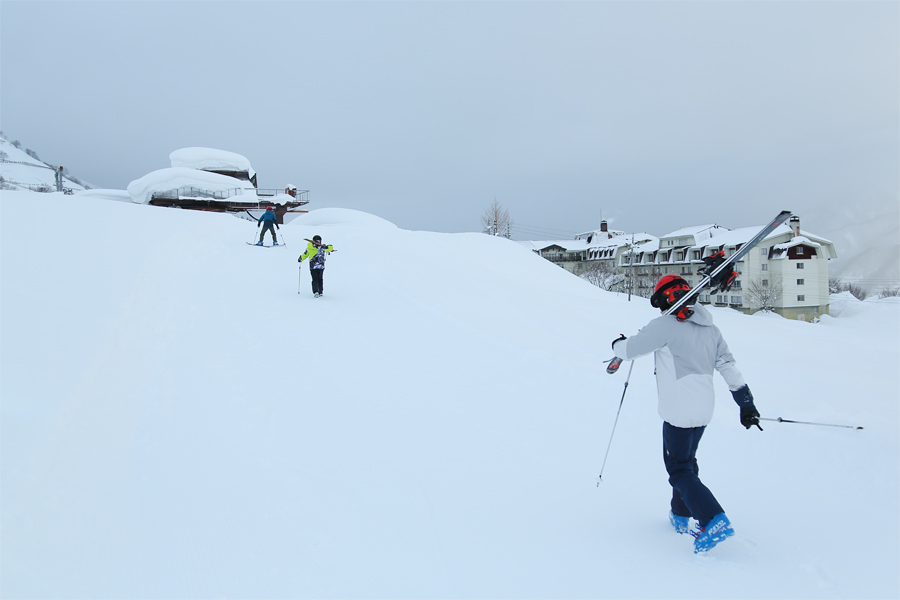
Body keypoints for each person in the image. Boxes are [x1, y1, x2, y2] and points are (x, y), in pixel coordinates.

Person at [610, 274, 761, 553]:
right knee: (686, 462)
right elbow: (727, 365)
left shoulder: (665, 325)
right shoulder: (711, 329)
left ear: (663, 299)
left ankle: (713, 519)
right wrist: (745, 402)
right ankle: (680, 514)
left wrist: (617, 345)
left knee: (679, 469)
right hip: (704, 409)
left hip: (678, 409)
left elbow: (631, 349)